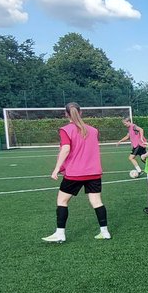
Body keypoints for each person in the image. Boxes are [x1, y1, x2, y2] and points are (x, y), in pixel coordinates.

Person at [42, 103, 109, 243]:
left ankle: (60, 234)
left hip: (75, 173)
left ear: (66, 114)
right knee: (96, 201)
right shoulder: (93, 130)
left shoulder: (66, 130)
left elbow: (65, 149)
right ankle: (105, 232)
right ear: (81, 112)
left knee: (62, 200)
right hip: (94, 173)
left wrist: (56, 169)